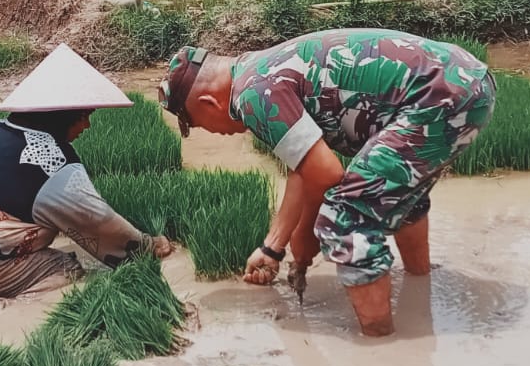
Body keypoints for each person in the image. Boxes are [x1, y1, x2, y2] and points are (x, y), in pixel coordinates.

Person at [158, 30, 495, 337]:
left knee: (344, 218)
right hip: (462, 81)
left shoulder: (252, 96)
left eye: (198, 124)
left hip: (437, 97)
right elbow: (303, 167)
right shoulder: (256, 69)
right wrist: (273, 246)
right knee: (390, 193)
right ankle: (419, 289)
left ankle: (383, 346)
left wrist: (306, 239)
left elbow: (327, 175)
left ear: (207, 104)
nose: (211, 132)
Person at [0, 44, 173, 302]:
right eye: (84, 115)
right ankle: (13, 306)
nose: (87, 124)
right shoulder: (51, 161)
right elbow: (97, 222)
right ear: (62, 114)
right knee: (66, 268)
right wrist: (149, 246)